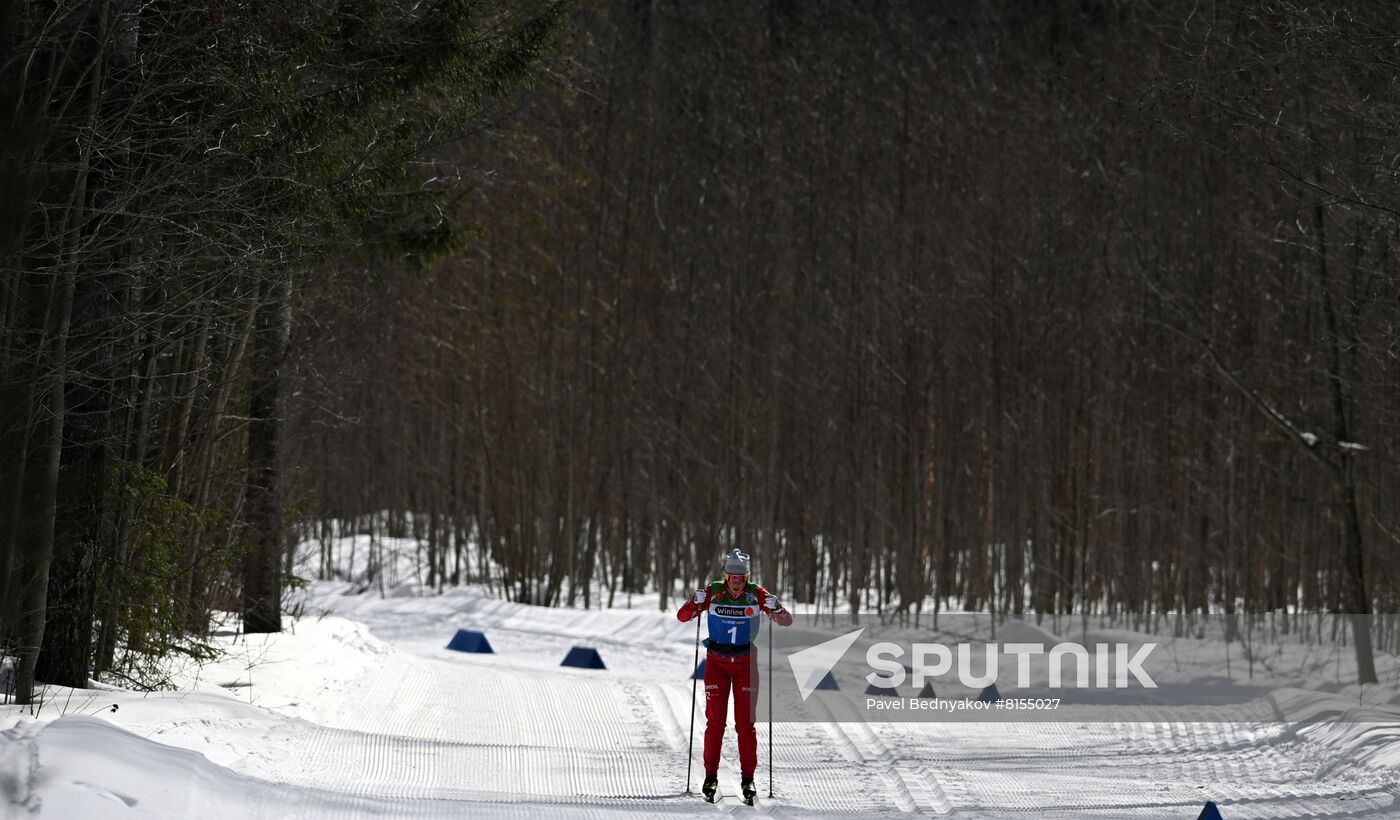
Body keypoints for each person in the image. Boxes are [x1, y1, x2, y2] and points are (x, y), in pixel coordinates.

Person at [676, 548, 792, 804]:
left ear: (748, 578)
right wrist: (693, 602)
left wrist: (778, 607)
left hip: (745, 665)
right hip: (717, 663)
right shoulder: (714, 591)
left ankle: (748, 779)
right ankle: (710, 776)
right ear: (725, 576)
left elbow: (786, 621)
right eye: (732, 578)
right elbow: (683, 616)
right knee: (715, 723)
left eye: (742, 579)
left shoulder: (756, 594)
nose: (737, 584)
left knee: (745, 725)